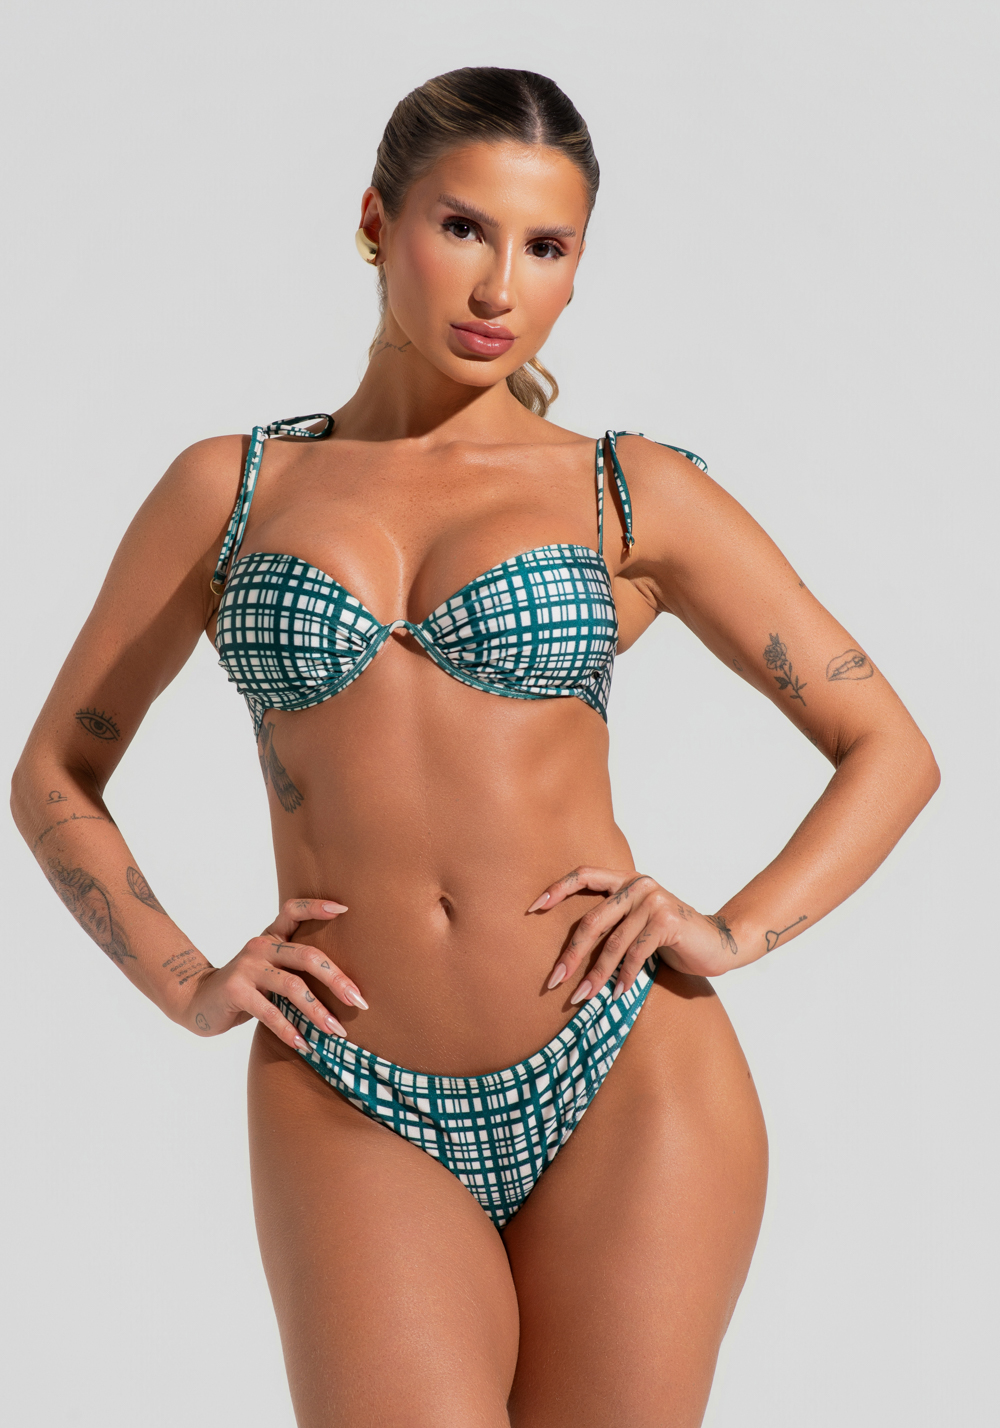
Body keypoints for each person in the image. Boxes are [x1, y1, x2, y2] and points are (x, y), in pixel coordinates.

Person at [10, 66, 939, 1428]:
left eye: (546, 247)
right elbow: (55, 772)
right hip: (343, 1080)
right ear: (375, 222)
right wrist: (188, 983)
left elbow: (887, 746)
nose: (501, 285)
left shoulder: (626, 490)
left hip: (626, 1067)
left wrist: (729, 932)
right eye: (464, 228)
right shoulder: (233, 489)